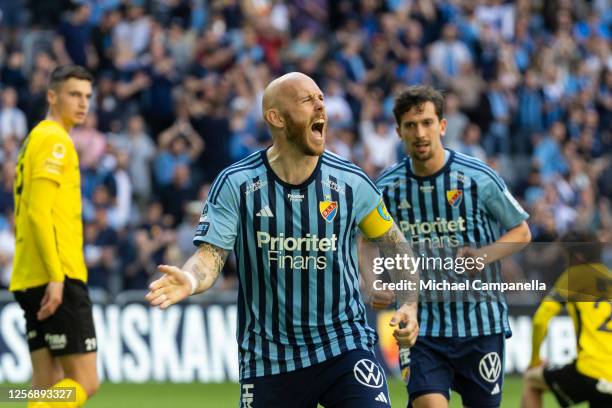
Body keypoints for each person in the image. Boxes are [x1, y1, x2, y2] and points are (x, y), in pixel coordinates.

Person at [146, 72, 419, 407]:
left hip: (344, 346)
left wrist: (409, 302)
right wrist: (189, 279)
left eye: (321, 99)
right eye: (308, 100)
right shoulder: (237, 184)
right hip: (269, 360)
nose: (321, 107)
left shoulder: (351, 182)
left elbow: (395, 244)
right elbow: (211, 256)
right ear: (275, 117)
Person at [375, 85, 531, 408]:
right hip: (422, 327)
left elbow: (521, 231)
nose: (420, 133)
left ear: (442, 126)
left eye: (428, 123)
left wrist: (483, 256)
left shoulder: (478, 178)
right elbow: (365, 238)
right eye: (411, 125)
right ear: (398, 131)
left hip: (480, 323)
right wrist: (372, 279)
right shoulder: (387, 187)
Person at [11, 65, 99, 407]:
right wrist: (57, 276)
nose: (83, 104)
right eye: (74, 94)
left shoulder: (35, 138)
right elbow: (37, 211)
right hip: (56, 274)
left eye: (88, 97)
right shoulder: (55, 140)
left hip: (29, 276)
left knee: (46, 387)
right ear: (52, 96)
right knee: (85, 382)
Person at [522, 230, 612, 408]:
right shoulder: (609, 277)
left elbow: (541, 319)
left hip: (592, 368)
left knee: (531, 380)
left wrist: (534, 361)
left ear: (577, 256)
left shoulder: (575, 275)